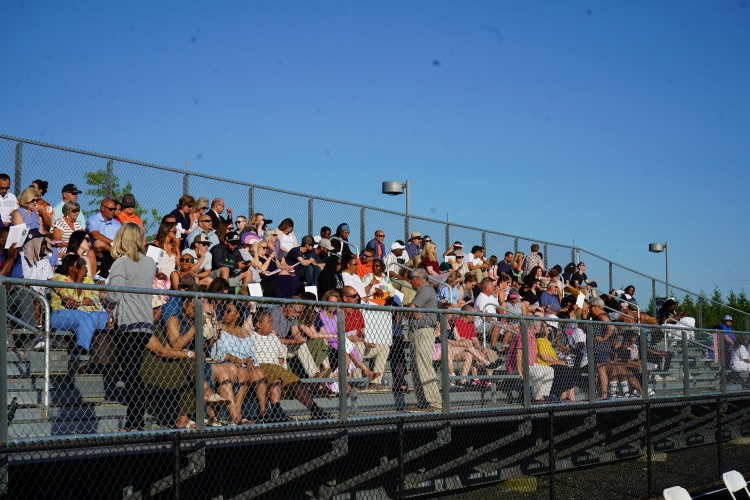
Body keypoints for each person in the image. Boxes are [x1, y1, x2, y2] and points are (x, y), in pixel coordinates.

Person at [104, 223, 157, 431]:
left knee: (131, 373)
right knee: (134, 371)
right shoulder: (150, 262)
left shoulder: (121, 263)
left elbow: (114, 294)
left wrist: (103, 292)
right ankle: (135, 421)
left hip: (128, 323)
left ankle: (134, 422)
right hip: (145, 322)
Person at [251, 310, 331, 420]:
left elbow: (281, 357)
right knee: (275, 379)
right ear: (258, 324)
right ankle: (276, 411)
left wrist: (276, 366)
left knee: (295, 381)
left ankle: (315, 409)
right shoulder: (250, 336)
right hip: (260, 365)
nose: (271, 325)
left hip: (275, 365)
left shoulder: (273, 337)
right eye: (268, 322)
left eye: (271, 322)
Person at [49, 254, 109, 357]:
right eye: (78, 264)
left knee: (110, 318)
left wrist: (78, 303)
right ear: (70, 267)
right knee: (85, 318)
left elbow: (95, 299)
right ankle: (80, 355)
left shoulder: (88, 280)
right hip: (61, 314)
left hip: (89, 314)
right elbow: (73, 298)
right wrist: (79, 278)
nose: (82, 266)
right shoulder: (59, 278)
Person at [406, 269, 441, 412]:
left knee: (424, 367)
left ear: (419, 278)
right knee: (416, 368)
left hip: (424, 331)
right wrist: (411, 310)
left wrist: (410, 308)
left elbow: (411, 307)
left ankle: (434, 402)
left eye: (411, 277)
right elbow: (411, 310)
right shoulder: (423, 290)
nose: (409, 280)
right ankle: (422, 402)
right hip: (418, 332)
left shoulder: (425, 289)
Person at [341, 286, 389, 386]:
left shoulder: (357, 312)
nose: (357, 298)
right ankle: (357, 382)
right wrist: (362, 340)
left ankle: (375, 383)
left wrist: (369, 340)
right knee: (356, 345)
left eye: (357, 296)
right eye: (354, 296)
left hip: (361, 343)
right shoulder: (339, 312)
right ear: (345, 298)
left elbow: (363, 331)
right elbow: (341, 336)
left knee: (384, 347)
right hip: (348, 346)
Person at [87, 198, 122, 277]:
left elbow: (120, 239)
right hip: (96, 251)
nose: (113, 211)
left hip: (109, 252)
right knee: (98, 243)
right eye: (111, 209)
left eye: (114, 209)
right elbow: (96, 235)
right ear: (102, 208)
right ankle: (117, 253)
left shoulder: (117, 223)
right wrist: (113, 243)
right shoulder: (93, 220)